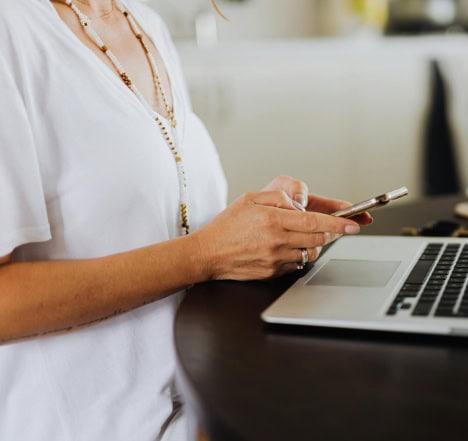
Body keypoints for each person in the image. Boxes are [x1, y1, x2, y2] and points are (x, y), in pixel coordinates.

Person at [0, 0, 371, 440]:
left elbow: (153, 222)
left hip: (203, 399)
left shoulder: (143, 23)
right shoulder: (11, 31)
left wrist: (258, 231)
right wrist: (209, 253)